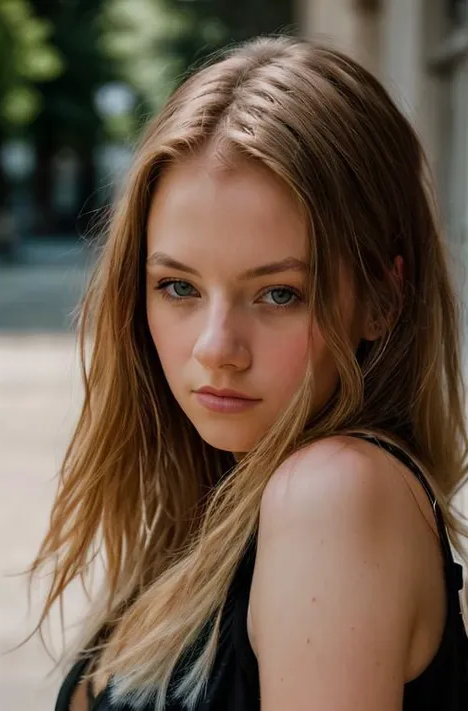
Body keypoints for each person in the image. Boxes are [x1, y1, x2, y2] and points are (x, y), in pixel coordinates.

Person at [30, 35, 468, 711]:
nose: (216, 348)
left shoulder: (332, 494)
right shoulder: (217, 504)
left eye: (279, 293)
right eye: (178, 287)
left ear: (383, 298)